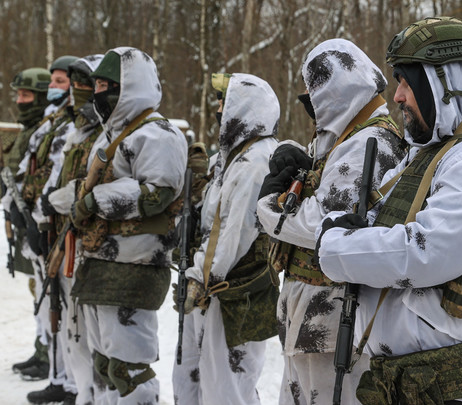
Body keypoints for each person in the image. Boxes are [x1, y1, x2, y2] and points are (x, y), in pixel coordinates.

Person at [315, 17, 462, 405]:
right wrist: (349, 228)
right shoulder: (433, 156)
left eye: (407, 81)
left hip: (457, 384)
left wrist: (335, 249)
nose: (398, 96)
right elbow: (379, 225)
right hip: (415, 382)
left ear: (446, 84)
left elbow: (425, 253)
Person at [256, 38, 406, 405]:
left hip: (332, 317)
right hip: (315, 316)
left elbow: (325, 226)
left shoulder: (368, 141)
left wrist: (269, 207)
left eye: (313, 89)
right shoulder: (348, 137)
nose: (308, 99)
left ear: (335, 88)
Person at [69, 46, 187, 404]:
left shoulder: (159, 135)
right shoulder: (109, 136)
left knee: (129, 369)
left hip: (135, 266)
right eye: (98, 84)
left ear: (131, 86)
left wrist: (95, 200)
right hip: (99, 264)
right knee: (105, 364)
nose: (100, 92)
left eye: (109, 84)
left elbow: (158, 194)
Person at [172, 72, 280, 404]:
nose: (219, 109)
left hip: (236, 291)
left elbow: (235, 232)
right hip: (211, 286)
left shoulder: (256, 160)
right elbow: (209, 216)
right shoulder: (230, 157)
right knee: (191, 378)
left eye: (224, 101)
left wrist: (201, 276)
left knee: (228, 388)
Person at [42, 54, 105, 405]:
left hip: (90, 245)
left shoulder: (104, 135)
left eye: (89, 85)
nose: (80, 92)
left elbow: (85, 189)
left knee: (89, 334)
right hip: (67, 241)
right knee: (72, 329)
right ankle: (82, 393)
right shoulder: (75, 130)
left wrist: (59, 200)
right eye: (76, 84)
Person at [20, 54, 80, 404]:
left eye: (61, 82)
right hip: (43, 226)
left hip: (59, 232)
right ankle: (60, 375)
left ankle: (71, 383)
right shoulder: (51, 120)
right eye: (53, 81)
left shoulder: (69, 125)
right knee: (48, 310)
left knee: (65, 314)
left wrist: (40, 218)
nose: (54, 88)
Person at [5, 67, 52, 380]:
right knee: (38, 292)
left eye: (26, 95)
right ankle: (41, 349)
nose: (21, 101)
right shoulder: (26, 130)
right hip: (24, 224)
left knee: (47, 293)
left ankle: (49, 355)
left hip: (42, 225)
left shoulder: (47, 131)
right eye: (19, 95)